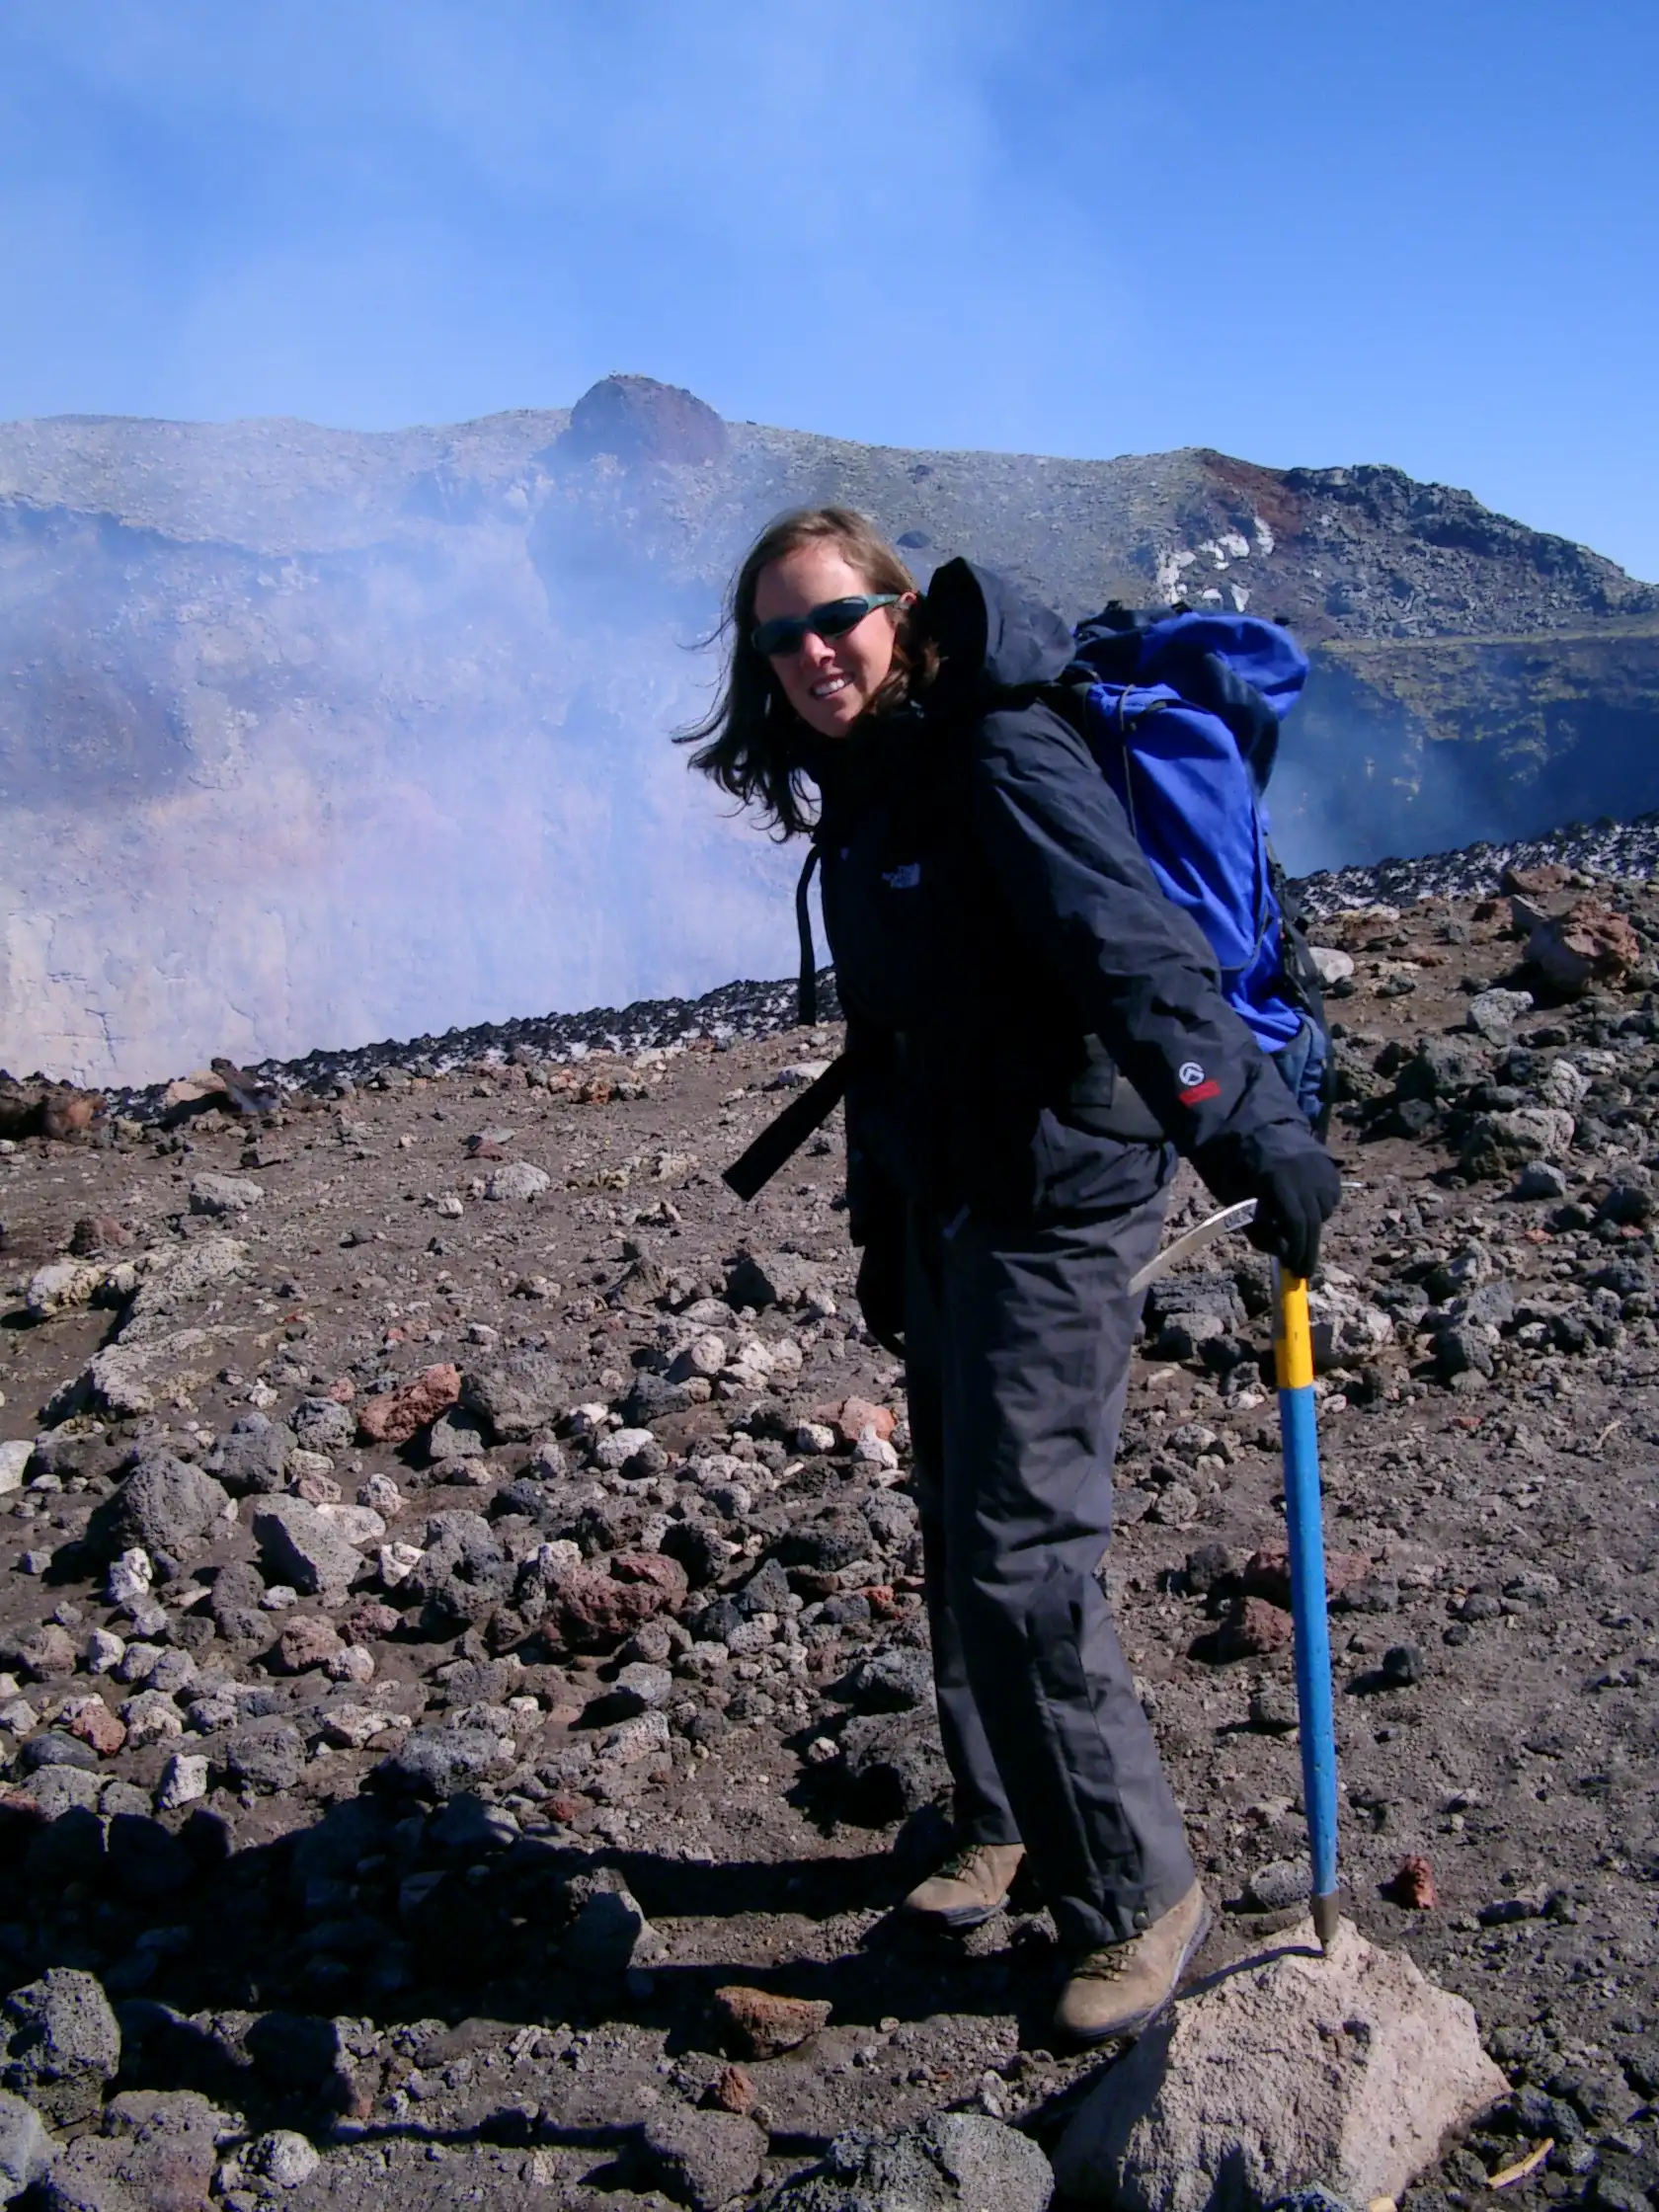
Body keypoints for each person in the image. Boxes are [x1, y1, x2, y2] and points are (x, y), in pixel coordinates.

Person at [680, 507, 1341, 2044]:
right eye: (779, 637)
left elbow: (1127, 946)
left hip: (1061, 1181)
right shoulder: (864, 776)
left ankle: (1136, 1890)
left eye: (833, 618)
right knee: (957, 1503)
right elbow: (896, 1031)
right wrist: (881, 1217)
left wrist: (1249, 1126)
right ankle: (1003, 1822)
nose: (811, 654)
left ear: (898, 611)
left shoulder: (992, 751)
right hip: (951, 1179)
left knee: (1024, 1551)